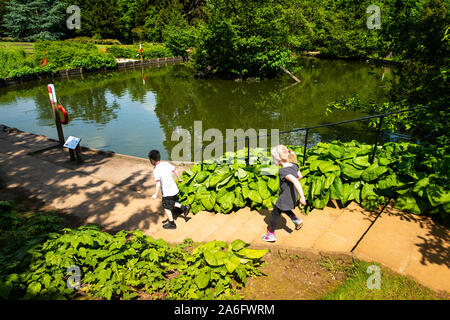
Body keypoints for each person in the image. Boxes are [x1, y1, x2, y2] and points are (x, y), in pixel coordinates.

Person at [262, 145, 307, 242]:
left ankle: (271, 234)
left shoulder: (283, 171)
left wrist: (302, 197)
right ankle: (297, 220)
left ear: (278, 160)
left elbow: (295, 181)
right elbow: (300, 176)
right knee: (284, 207)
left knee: (275, 213)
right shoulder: (294, 165)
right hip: (292, 194)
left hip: (285, 196)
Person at [149, 150, 189, 229]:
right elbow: (175, 170)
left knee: (166, 206)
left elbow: (158, 183)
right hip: (174, 188)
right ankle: (184, 207)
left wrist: (155, 194)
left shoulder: (156, 170)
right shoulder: (166, 164)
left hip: (167, 191)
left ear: (152, 160)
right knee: (170, 202)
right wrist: (179, 178)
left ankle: (172, 223)